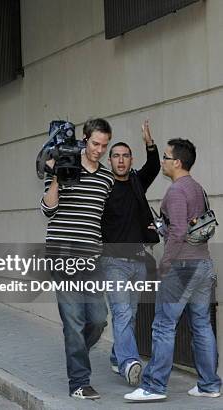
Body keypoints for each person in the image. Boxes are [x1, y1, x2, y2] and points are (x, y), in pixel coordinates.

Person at [125, 138, 221, 402]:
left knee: (164, 326)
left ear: (177, 162)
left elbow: (178, 232)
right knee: (201, 324)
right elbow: (188, 227)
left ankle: (154, 386)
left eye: (166, 157)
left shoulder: (177, 191)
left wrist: (165, 265)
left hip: (181, 267)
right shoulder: (197, 188)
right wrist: (161, 228)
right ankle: (209, 384)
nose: (163, 162)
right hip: (202, 264)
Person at [41, 118, 115, 400]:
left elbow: (101, 218)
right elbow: (47, 210)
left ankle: (76, 354)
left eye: (104, 145)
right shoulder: (64, 166)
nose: (99, 150)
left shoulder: (106, 178)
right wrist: (58, 175)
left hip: (91, 258)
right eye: (95, 143)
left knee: (97, 320)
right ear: (85, 139)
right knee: (73, 321)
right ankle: (79, 383)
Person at [100, 120, 160, 387]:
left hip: (137, 260)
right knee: (123, 313)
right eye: (116, 156)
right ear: (109, 160)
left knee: (130, 314)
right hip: (112, 261)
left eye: (125, 156)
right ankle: (129, 364)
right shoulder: (101, 187)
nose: (121, 161)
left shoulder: (136, 182)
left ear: (130, 159)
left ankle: (116, 356)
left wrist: (149, 142)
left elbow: (155, 166)